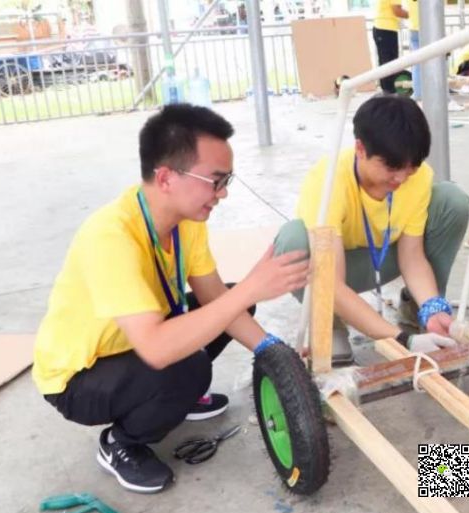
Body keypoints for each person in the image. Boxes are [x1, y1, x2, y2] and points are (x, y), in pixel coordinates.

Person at [32, 104, 309, 493]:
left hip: (136, 340)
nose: (223, 193)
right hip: (79, 377)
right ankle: (121, 442)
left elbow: (216, 297)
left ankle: (171, 398)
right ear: (165, 178)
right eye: (215, 180)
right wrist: (253, 286)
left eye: (227, 180)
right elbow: (158, 349)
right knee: (189, 366)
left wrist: (276, 353)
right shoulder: (110, 237)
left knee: (233, 303)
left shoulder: (185, 221)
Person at [274, 95, 469, 363]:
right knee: (293, 243)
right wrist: (401, 339)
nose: (401, 178)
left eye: (411, 168)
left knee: (451, 200)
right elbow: (331, 282)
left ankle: (420, 311)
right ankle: (329, 323)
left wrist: (432, 307)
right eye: (392, 167)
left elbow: (412, 257)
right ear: (360, 148)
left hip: (386, 258)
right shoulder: (328, 181)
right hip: (336, 270)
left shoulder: (418, 177)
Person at [373, 0, 408, 94]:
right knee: (389, 62)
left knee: (387, 62)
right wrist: (413, 15)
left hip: (383, 28)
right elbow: (397, 11)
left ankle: (387, 91)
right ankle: (389, 91)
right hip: (385, 29)